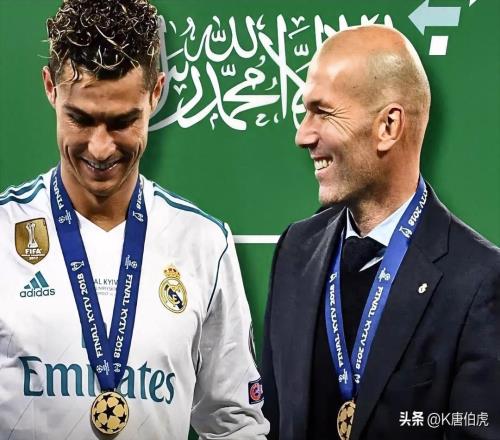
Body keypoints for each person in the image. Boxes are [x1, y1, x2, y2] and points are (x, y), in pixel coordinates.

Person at [0, 1, 269, 438]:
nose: (100, 148)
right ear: (50, 88)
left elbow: (234, 424)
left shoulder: (204, 243)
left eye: (123, 122)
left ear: (156, 93)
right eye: (80, 119)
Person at [262, 25, 500, 440]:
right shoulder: (295, 251)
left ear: (388, 125)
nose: (303, 135)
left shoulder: (479, 280)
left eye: (323, 112)